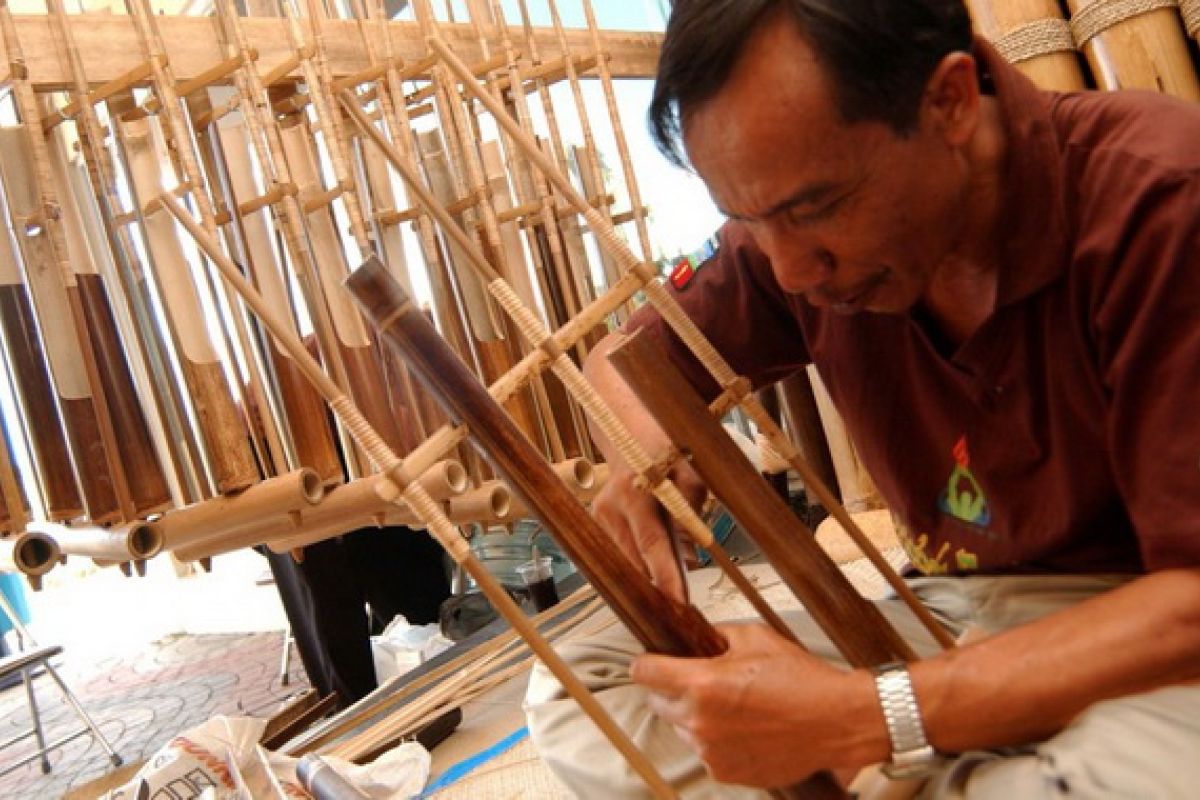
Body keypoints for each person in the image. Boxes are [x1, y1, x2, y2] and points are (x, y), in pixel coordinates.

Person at [523, 1, 1200, 797]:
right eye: (749, 220)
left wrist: (868, 716)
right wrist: (649, 459)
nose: (790, 273)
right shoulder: (795, 236)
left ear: (948, 101)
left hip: (1146, 632)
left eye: (813, 209)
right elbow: (623, 359)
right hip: (954, 612)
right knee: (589, 681)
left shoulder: (1162, 197)